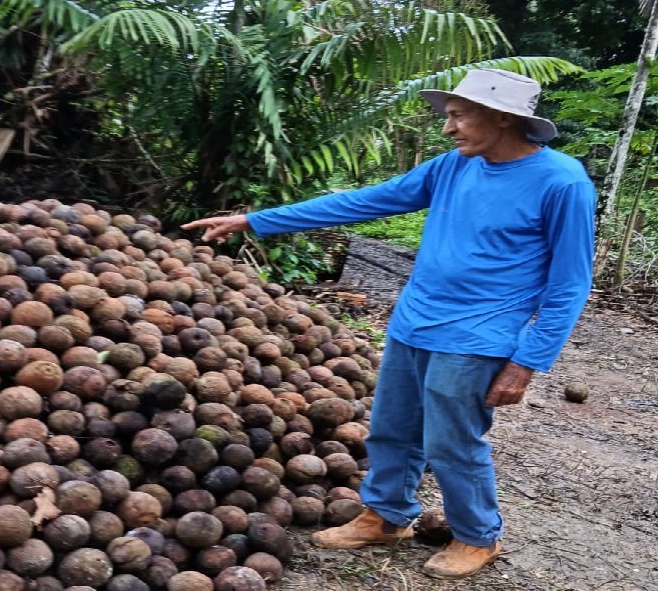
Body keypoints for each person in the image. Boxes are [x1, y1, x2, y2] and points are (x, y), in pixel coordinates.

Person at [181, 68, 596, 580]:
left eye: (458, 116)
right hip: (413, 322)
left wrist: (527, 362)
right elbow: (365, 200)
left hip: (477, 334)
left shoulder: (562, 181)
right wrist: (259, 220)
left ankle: (476, 536)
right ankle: (386, 516)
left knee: (452, 442)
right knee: (392, 430)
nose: (449, 129)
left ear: (504, 118)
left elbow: (570, 283)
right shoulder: (452, 167)